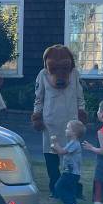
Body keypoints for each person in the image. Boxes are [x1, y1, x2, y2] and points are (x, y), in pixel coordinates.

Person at [31, 44, 87, 194]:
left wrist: (81, 112)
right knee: (51, 156)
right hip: (50, 123)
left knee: (72, 157)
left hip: (71, 124)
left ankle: (73, 187)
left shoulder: (74, 74)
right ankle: (55, 188)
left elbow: (80, 97)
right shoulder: (43, 74)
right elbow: (39, 98)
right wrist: (37, 116)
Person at [50, 119, 85, 204]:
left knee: (59, 187)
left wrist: (55, 142)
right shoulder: (71, 143)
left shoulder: (74, 143)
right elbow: (62, 152)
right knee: (69, 189)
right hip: (72, 172)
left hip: (71, 173)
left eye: (68, 128)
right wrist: (55, 148)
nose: (65, 130)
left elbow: (62, 152)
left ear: (74, 133)